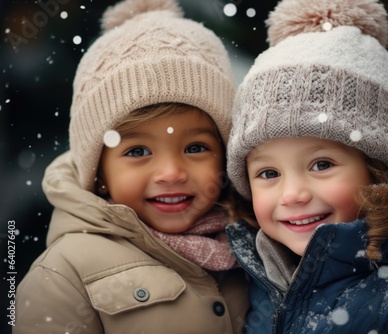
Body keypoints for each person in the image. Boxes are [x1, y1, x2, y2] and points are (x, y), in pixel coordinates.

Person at [225, 0, 388, 333]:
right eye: (269, 173)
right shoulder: (260, 285)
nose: (292, 194)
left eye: (321, 164)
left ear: (380, 170)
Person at [15, 0, 249, 332]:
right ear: (99, 174)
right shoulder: (64, 275)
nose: (171, 173)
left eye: (196, 147)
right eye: (138, 151)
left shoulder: (257, 253)